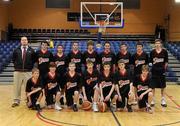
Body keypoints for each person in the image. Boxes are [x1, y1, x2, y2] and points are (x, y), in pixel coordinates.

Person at [12, 36, 36, 107]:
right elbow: (13, 59)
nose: (24, 41)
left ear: (27, 41)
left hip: (28, 72)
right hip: (17, 71)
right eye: (22, 40)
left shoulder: (31, 50)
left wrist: (29, 67)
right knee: (16, 87)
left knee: (28, 87)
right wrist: (17, 65)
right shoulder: (16, 50)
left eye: (25, 40)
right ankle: (16, 101)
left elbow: (34, 60)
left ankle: (28, 100)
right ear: (21, 41)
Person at [150, 39, 168, 107]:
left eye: (158, 43)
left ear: (161, 44)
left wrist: (164, 69)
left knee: (163, 86)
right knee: (153, 86)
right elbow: (150, 62)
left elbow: (166, 62)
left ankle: (163, 100)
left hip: (162, 71)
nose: (157, 44)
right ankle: (153, 100)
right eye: (156, 43)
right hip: (154, 71)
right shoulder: (152, 52)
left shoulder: (164, 51)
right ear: (155, 44)